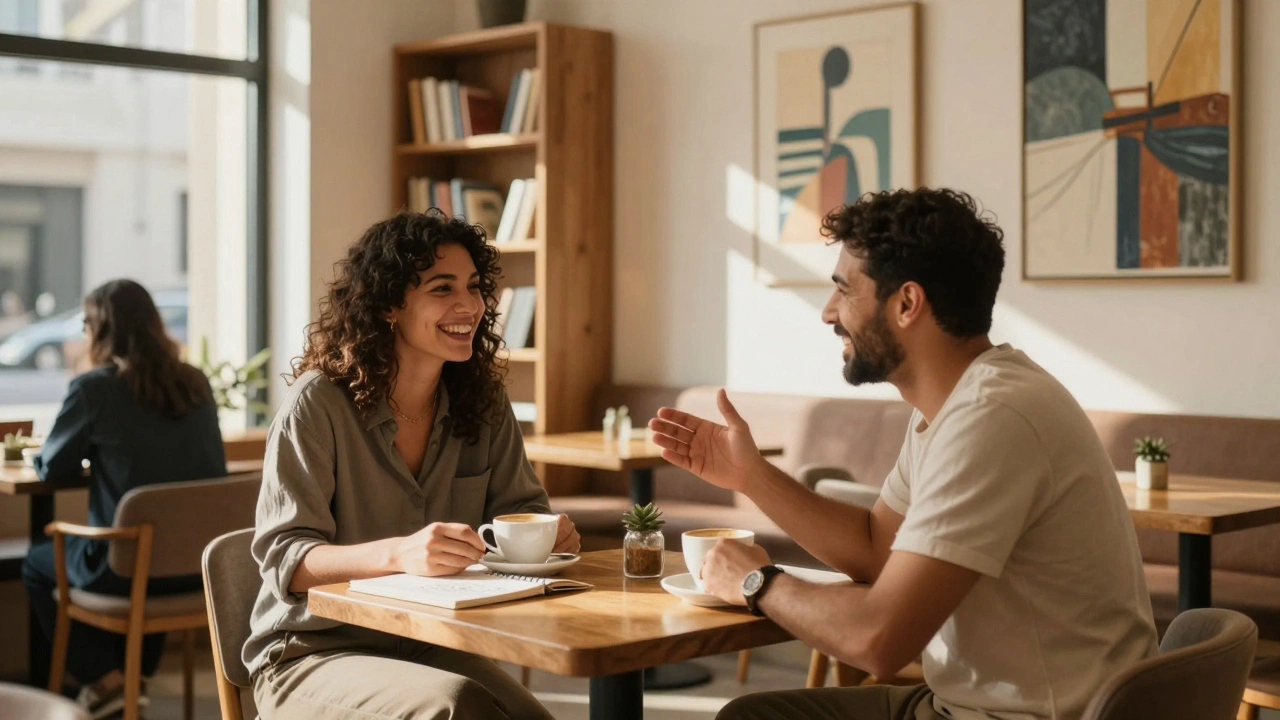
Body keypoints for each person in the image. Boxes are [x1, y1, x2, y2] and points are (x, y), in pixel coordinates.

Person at [649, 188, 1157, 720]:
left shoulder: (993, 417)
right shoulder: (955, 406)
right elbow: (876, 548)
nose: (828, 313)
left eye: (844, 291)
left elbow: (878, 638)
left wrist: (758, 583)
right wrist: (750, 476)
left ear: (907, 304)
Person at [245, 211, 577, 720]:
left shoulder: (483, 403)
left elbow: (521, 508)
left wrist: (546, 535)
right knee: (457, 709)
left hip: (429, 640)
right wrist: (401, 553)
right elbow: (288, 560)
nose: (470, 305)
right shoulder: (317, 407)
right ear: (388, 306)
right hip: (312, 653)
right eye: (443, 289)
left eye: (473, 286)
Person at [22, 279, 227, 719]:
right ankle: (134, 680)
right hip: (196, 569)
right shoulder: (195, 383)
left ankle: (109, 681)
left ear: (99, 329)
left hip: (129, 569)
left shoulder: (94, 389)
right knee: (147, 548)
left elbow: (53, 468)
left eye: (85, 325)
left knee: (38, 562)